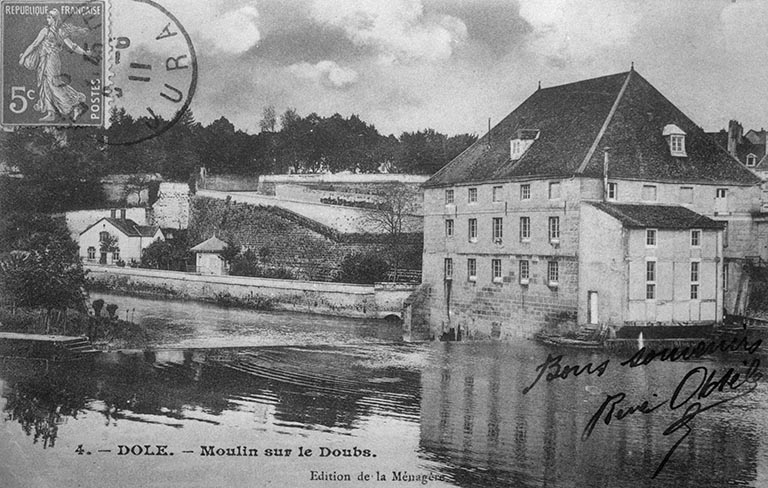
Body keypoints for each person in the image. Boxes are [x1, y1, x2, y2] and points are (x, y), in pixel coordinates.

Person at [18, 9, 90, 122]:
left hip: (52, 60)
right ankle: (51, 112)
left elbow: (72, 46)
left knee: (54, 84)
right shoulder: (46, 30)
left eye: (50, 17)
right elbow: (34, 45)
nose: (48, 20)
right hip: (44, 59)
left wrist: (85, 53)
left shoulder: (58, 31)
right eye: (47, 17)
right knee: (45, 84)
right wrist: (23, 57)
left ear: (55, 19)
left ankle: (75, 104)